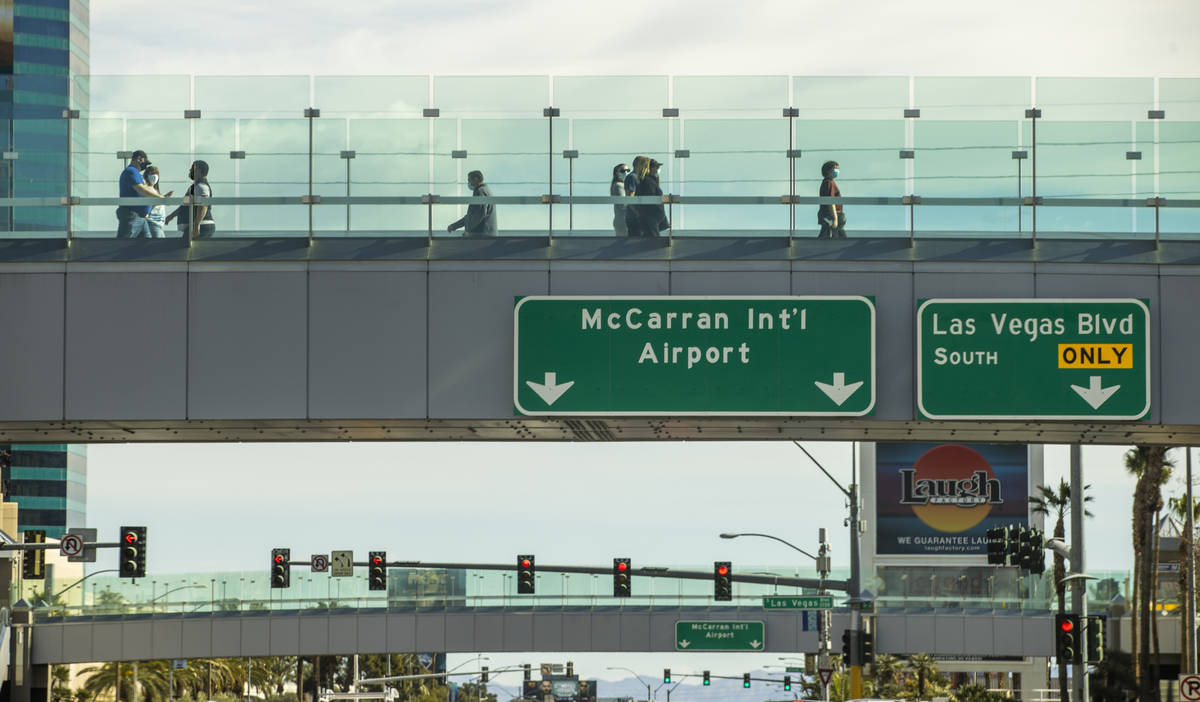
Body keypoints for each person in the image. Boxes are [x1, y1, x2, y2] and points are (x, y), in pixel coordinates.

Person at [116, 150, 171, 238]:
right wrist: (161, 197)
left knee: (146, 245)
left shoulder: (136, 174)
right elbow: (141, 189)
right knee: (124, 241)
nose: (145, 166)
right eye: (144, 163)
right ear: (139, 159)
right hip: (132, 215)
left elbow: (144, 190)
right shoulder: (131, 171)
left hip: (141, 218)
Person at [165, 160, 216, 238]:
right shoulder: (195, 187)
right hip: (197, 225)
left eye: (192, 169)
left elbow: (203, 206)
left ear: (198, 171)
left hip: (202, 225)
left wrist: (196, 225)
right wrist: (171, 216)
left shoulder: (201, 186)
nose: (190, 171)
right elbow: (185, 204)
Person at [447, 170, 497, 236]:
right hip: (487, 233)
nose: (468, 183)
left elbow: (479, 215)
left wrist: (468, 230)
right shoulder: (486, 190)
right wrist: (454, 226)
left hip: (481, 235)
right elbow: (471, 216)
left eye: (469, 180)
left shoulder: (480, 191)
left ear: (476, 179)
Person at [634, 158, 669, 236]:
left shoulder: (650, 180)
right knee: (652, 241)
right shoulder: (648, 181)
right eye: (656, 167)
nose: (658, 169)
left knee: (650, 240)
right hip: (651, 218)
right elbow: (650, 199)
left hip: (652, 218)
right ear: (650, 168)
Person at [818, 160, 846, 238]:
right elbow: (831, 202)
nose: (837, 171)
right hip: (830, 215)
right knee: (833, 236)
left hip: (830, 214)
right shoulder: (829, 183)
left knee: (827, 234)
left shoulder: (828, 182)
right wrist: (835, 218)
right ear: (828, 170)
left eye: (838, 168)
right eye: (835, 168)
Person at [142, 165, 171, 238]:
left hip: (159, 224)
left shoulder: (155, 191)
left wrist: (164, 198)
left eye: (156, 174)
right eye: (152, 173)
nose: (155, 176)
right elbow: (149, 207)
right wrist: (162, 200)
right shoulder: (147, 190)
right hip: (152, 223)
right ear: (146, 176)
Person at [624, 155, 646, 236]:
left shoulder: (637, 177)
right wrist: (637, 212)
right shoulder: (632, 177)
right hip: (633, 216)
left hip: (634, 215)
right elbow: (630, 197)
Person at [611, 163, 630, 236]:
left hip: (622, 221)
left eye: (628, 170)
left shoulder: (625, 185)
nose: (626, 173)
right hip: (623, 221)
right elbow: (623, 205)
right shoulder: (619, 185)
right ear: (617, 173)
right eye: (622, 171)